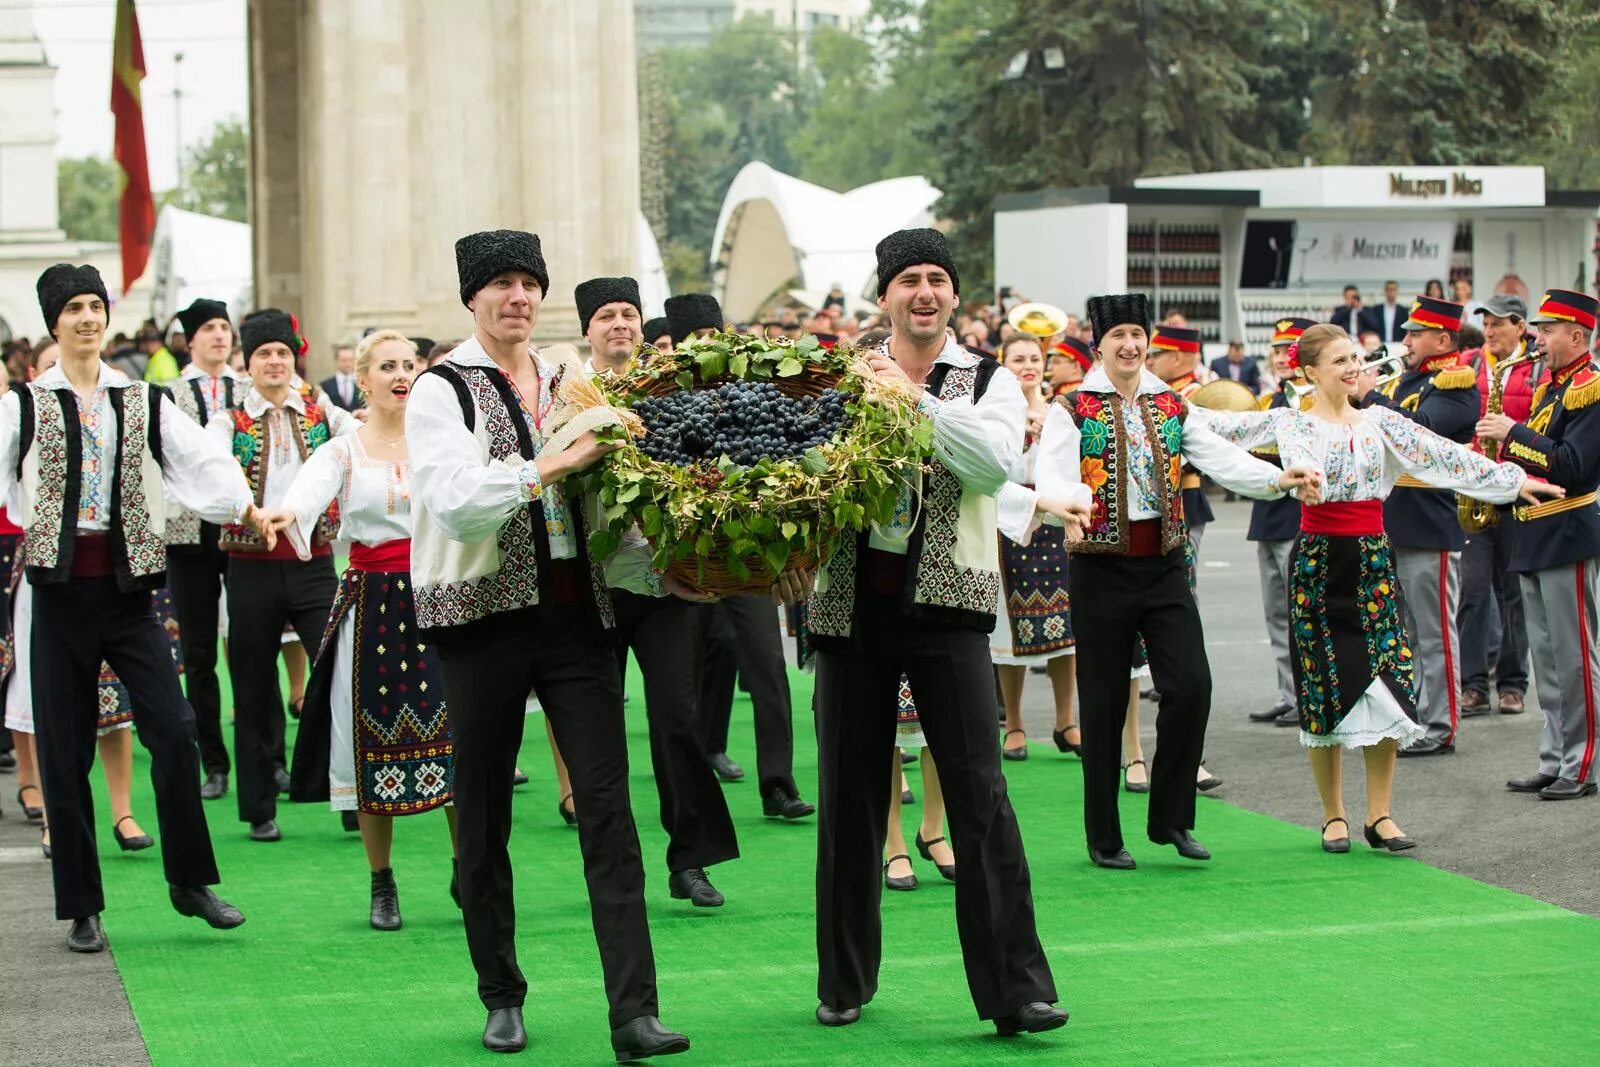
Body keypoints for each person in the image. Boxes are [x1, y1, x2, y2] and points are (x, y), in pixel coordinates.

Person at [407, 229, 687, 1058]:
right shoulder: (441, 390)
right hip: (481, 621)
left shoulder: (572, 378)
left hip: (576, 616)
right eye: (500, 284)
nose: (517, 296)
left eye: (529, 282)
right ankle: (500, 990)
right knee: (485, 811)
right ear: (472, 298)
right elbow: (458, 503)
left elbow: (617, 485)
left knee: (609, 812)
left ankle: (633, 1011)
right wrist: (553, 462)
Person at [805, 228, 1064, 1037]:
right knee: (850, 796)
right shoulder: (837, 374)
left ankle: (1016, 987)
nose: (924, 292)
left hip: (950, 605)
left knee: (980, 795)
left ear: (955, 296)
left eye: (938, 280)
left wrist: (910, 399)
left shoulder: (985, 378)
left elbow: (991, 466)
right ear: (884, 295)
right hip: (849, 604)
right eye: (909, 280)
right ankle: (843, 980)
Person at [1203, 324, 1550, 849]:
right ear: (1309, 371)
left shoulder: (1382, 422)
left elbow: (1445, 458)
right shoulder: (1289, 423)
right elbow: (1215, 430)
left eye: (1355, 358)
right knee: (1323, 683)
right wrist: (1150, 401)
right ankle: (1334, 814)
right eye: (1339, 360)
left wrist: (1513, 481)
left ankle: (1381, 814)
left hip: (1371, 558)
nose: (1351, 367)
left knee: (1388, 679)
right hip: (1317, 562)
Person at [1, 263, 254, 952]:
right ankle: (82, 904)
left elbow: (198, 459)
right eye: (74, 308)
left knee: (172, 730)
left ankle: (190, 881)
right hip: (55, 594)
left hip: (129, 590)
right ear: (53, 321)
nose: (87, 317)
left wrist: (241, 504)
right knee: (65, 746)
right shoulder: (23, 404)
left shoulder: (139, 399)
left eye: (95, 305)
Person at [1034, 293, 1316, 869]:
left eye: (1138, 336)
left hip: (1164, 566)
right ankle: (1104, 835)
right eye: (1119, 337)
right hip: (1100, 567)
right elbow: (1053, 471)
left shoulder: (1169, 406)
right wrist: (1066, 502)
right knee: (1106, 700)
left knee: (1191, 687)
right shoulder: (1074, 407)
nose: (1131, 346)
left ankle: (1171, 819)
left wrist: (1276, 478)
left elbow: (1218, 457)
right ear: (1099, 345)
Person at [260, 330, 458, 931]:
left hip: (442, 597)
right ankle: (382, 880)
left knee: (459, 735)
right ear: (362, 378)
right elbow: (307, 493)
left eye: (410, 364)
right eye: (388, 366)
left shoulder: (444, 443)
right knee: (369, 740)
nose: (401, 374)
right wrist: (286, 511)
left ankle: (466, 867)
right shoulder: (343, 450)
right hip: (373, 606)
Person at [575, 276, 749, 907]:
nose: (619, 325)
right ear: (587, 330)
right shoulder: (567, 392)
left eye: (628, 315)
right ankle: (615, 866)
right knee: (596, 730)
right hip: (590, 585)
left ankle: (691, 859)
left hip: (663, 582)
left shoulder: (672, 389)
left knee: (678, 718)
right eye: (606, 317)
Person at [208, 309, 358, 842]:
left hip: (315, 567)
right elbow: (215, 474)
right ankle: (259, 807)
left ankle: (347, 794)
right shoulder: (227, 422)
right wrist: (247, 510)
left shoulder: (326, 415)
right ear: (246, 365)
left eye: (282, 354)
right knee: (252, 687)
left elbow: (365, 439)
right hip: (248, 569)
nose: (274, 362)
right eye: (264, 354)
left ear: (295, 361)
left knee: (338, 676)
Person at [1475, 288, 1600, 801]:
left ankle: (1585, 763)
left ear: (1576, 334)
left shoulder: (1590, 388)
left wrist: (1513, 432)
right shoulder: (1552, 386)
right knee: (1547, 661)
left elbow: (1573, 466)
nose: (1537, 338)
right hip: (1532, 530)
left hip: (1567, 532)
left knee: (1575, 659)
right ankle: (1555, 758)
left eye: (1547, 330)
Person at [1361, 297, 1480, 757]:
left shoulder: (1456, 384)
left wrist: (1370, 397)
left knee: (1435, 635)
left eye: (1414, 333)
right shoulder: (1410, 379)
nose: (1405, 341)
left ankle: (1441, 725)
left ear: (1443, 339)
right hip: (1393, 519)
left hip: (1430, 520)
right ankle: (1411, 715)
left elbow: (1421, 433)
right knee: (1403, 633)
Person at [165, 298, 247, 800]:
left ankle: (267, 760)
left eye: (224, 327)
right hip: (187, 533)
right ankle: (213, 761)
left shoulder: (251, 388)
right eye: (209, 329)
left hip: (243, 530)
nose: (219, 336)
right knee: (198, 651)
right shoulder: (167, 395)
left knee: (249, 646)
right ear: (190, 339)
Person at [992, 334, 1078, 761]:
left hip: (1054, 522)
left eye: (1034, 358)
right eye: (1018, 358)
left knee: (1064, 625)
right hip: (1012, 520)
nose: (1027, 365)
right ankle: (1015, 723)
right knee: (1009, 630)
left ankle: (1067, 721)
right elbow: (992, 471)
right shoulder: (996, 410)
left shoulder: (1060, 410)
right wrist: (1023, 438)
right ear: (1004, 363)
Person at [1458, 293, 1540, 716]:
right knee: (1472, 592)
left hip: (1516, 490)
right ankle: (1472, 684)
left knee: (1513, 595)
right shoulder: (1470, 364)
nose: (1489, 331)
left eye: (1499, 324)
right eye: (1486, 324)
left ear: (1520, 326)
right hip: (1476, 489)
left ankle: (1512, 683)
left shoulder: (1538, 366)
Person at [1246, 318, 1317, 727]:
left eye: (1288, 349)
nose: (1279, 357)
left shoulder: (1310, 401)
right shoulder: (1272, 400)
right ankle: (1289, 692)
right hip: (1268, 516)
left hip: (1298, 518)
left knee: (1302, 612)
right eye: (1275, 350)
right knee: (1277, 614)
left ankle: (1308, 694)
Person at [320, 343, 362, 411]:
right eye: (344, 360)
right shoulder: (325, 386)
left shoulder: (362, 384)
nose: (347, 364)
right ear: (336, 360)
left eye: (350, 360)